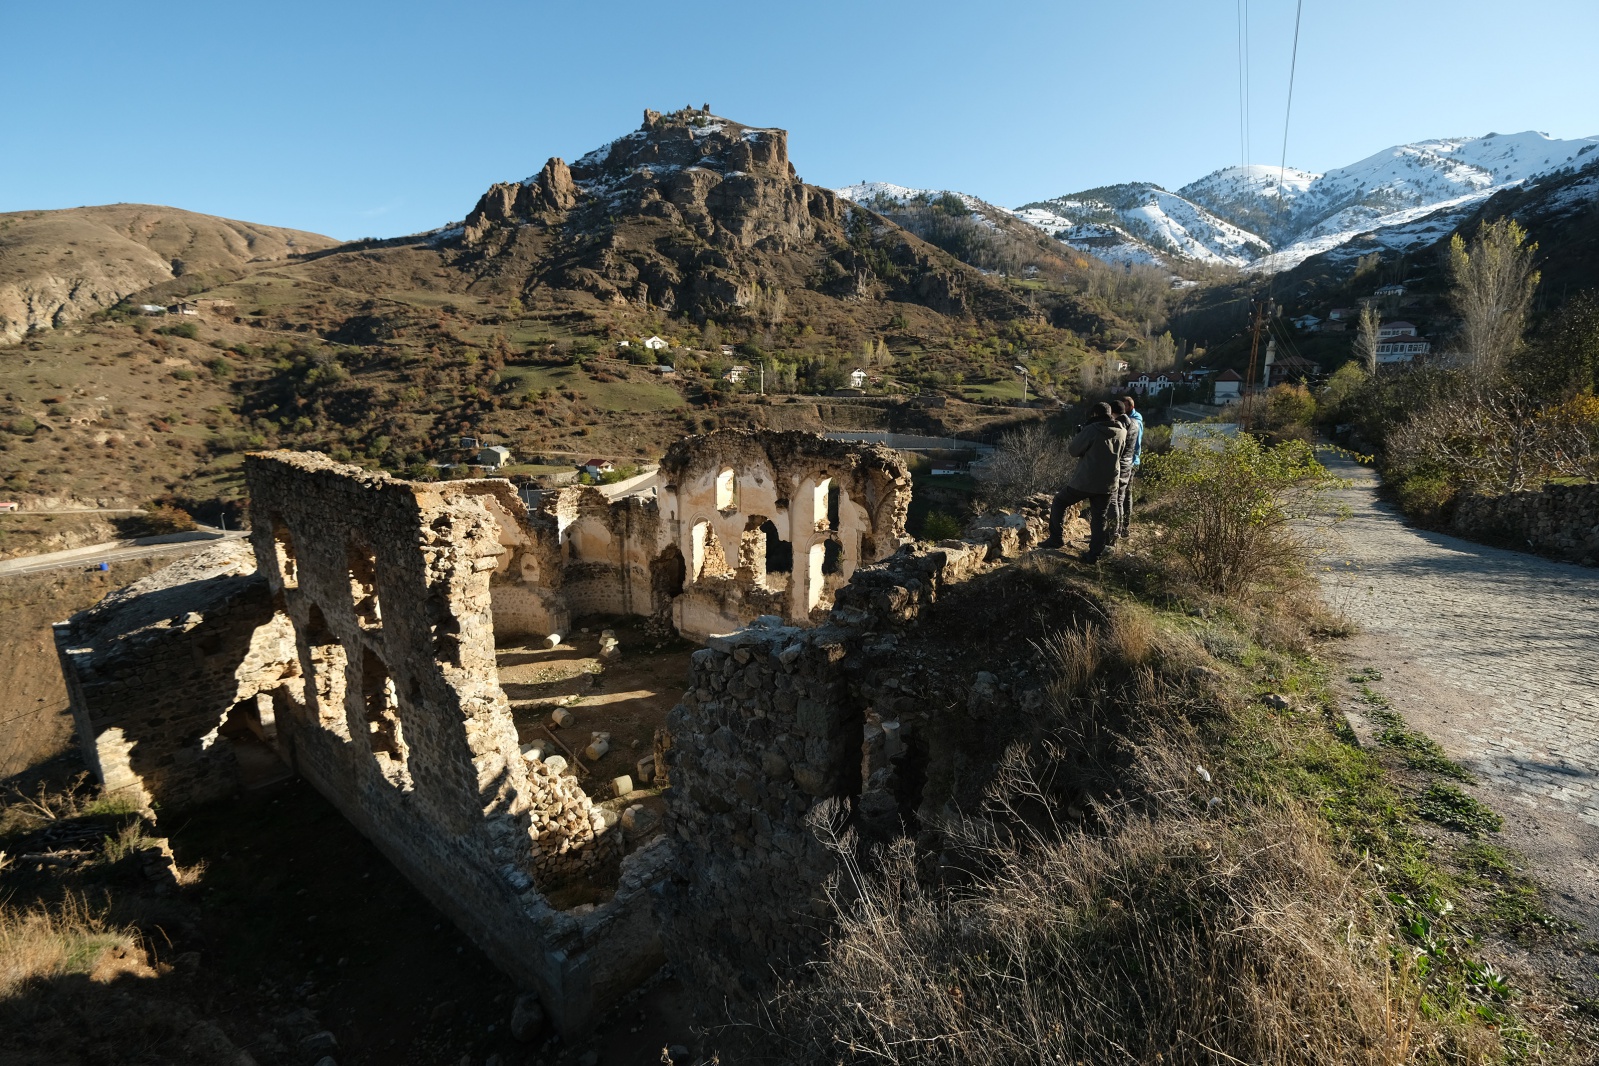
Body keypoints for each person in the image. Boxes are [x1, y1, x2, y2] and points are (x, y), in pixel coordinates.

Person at [1039, 401, 1125, 561]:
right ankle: (1094, 554)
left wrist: (1082, 433)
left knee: (1059, 501)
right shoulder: (1121, 431)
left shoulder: (1092, 430)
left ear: (1094, 415)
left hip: (1086, 480)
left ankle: (1056, 538)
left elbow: (1073, 450)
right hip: (1108, 481)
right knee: (1100, 517)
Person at [1109, 396, 1144, 543]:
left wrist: (1134, 461)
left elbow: (1136, 444)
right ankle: (1121, 528)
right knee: (1122, 496)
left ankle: (1123, 528)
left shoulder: (1135, 421)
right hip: (1128, 462)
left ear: (1129, 407)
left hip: (1129, 463)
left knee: (1123, 496)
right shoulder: (1130, 419)